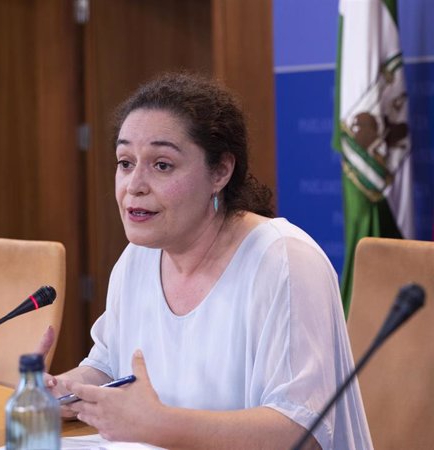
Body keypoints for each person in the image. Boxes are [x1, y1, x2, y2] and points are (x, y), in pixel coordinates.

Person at [37, 72, 372, 449]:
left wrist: (160, 424)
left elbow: (299, 432)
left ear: (221, 171)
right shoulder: (136, 260)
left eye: (162, 165)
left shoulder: (285, 261)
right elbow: (109, 368)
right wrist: (61, 391)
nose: (134, 185)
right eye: (126, 162)